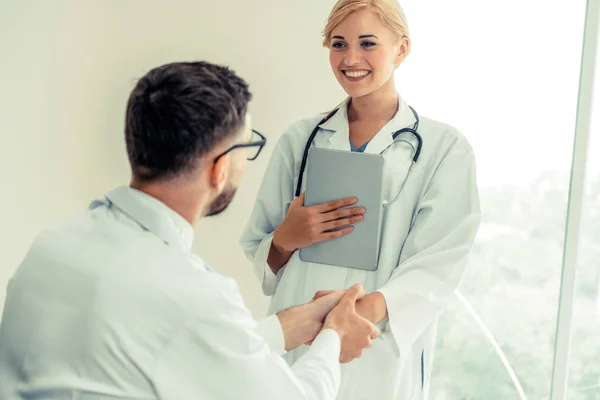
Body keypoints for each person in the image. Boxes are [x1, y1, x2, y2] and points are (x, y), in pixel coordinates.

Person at [0, 61, 379, 400]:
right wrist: (333, 339)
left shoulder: (56, 243)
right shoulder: (190, 293)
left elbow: (178, 339)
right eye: (245, 147)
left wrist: (297, 325)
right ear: (219, 169)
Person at [240, 0, 482, 399]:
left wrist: (354, 316)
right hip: (298, 337)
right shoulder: (299, 140)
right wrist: (286, 237)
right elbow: (260, 254)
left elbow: (440, 261)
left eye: (368, 43)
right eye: (338, 44)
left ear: (401, 49)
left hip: (377, 345)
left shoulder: (446, 149)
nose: (351, 58)